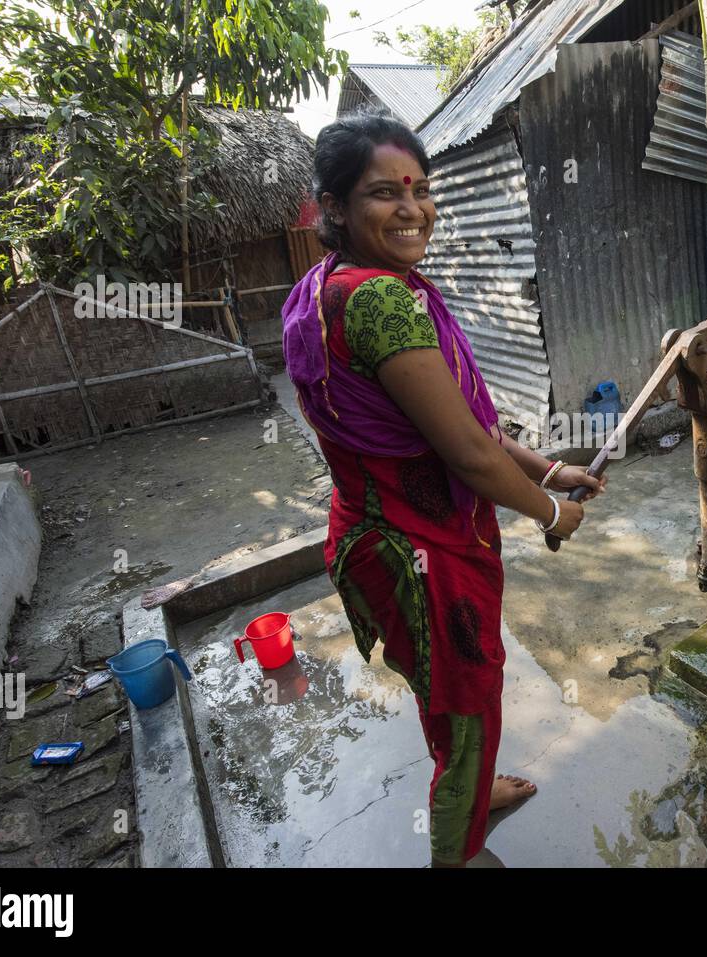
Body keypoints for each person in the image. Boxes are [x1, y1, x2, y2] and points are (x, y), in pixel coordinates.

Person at [281, 110, 604, 865]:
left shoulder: (325, 287)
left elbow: (459, 425)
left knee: (443, 689)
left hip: (368, 530)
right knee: (467, 705)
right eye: (383, 193)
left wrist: (551, 468)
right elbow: (466, 452)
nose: (412, 208)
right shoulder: (385, 300)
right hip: (417, 547)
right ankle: (456, 848)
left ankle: (476, 788)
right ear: (333, 207)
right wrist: (555, 511)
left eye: (421, 189)